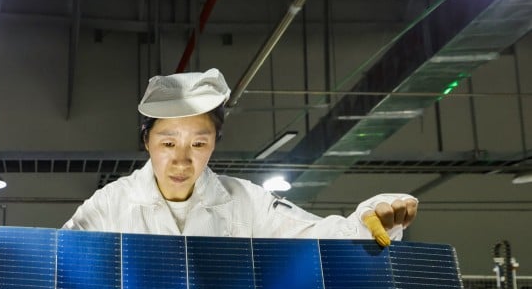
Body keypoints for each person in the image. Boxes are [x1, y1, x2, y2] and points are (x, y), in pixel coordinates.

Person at [64, 68, 417, 240]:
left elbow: (318, 235)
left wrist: (367, 222)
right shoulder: (110, 205)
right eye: (168, 143)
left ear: (215, 142)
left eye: (198, 144)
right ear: (147, 141)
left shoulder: (246, 204)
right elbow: (55, 268)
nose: (183, 159)